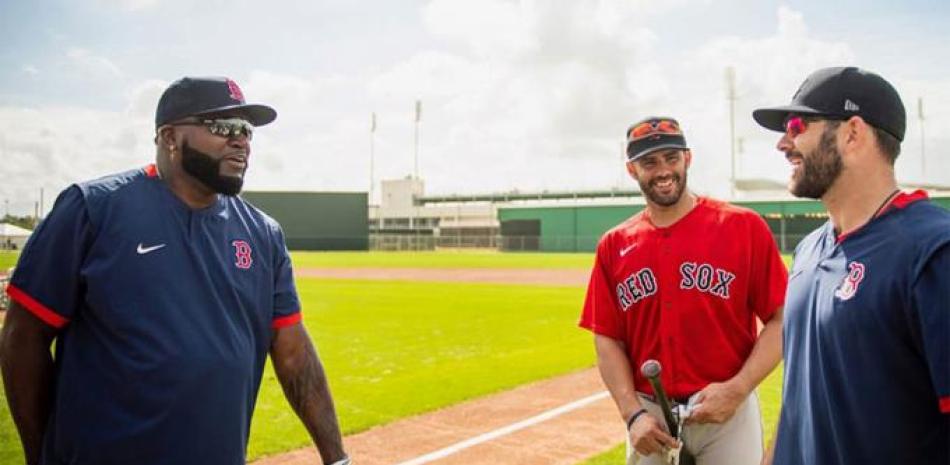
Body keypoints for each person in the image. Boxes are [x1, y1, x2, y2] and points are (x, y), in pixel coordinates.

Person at [0, 77, 351, 465]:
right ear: (169, 137)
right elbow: (22, 338)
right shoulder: (92, 210)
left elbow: (293, 353)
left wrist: (337, 459)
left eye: (247, 130)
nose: (242, 141)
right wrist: (41, 456)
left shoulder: (262, 235)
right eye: (224, 127)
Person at [754, 67, 949, 464]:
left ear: (853, 132)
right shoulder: (809, 250)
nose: (782, 143)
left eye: (796, 125)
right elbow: (799, 397)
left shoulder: (933, 251)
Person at [579, 116, 788, 465]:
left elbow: (783, 319)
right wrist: (632, 415)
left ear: (687, 159)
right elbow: (607, 339)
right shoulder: (614, 245)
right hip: (651, 418)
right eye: (650, 162)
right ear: (632, 170)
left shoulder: (742, 227)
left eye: (671, 158)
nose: (663, 171)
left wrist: (737, 390)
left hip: (726, 412)